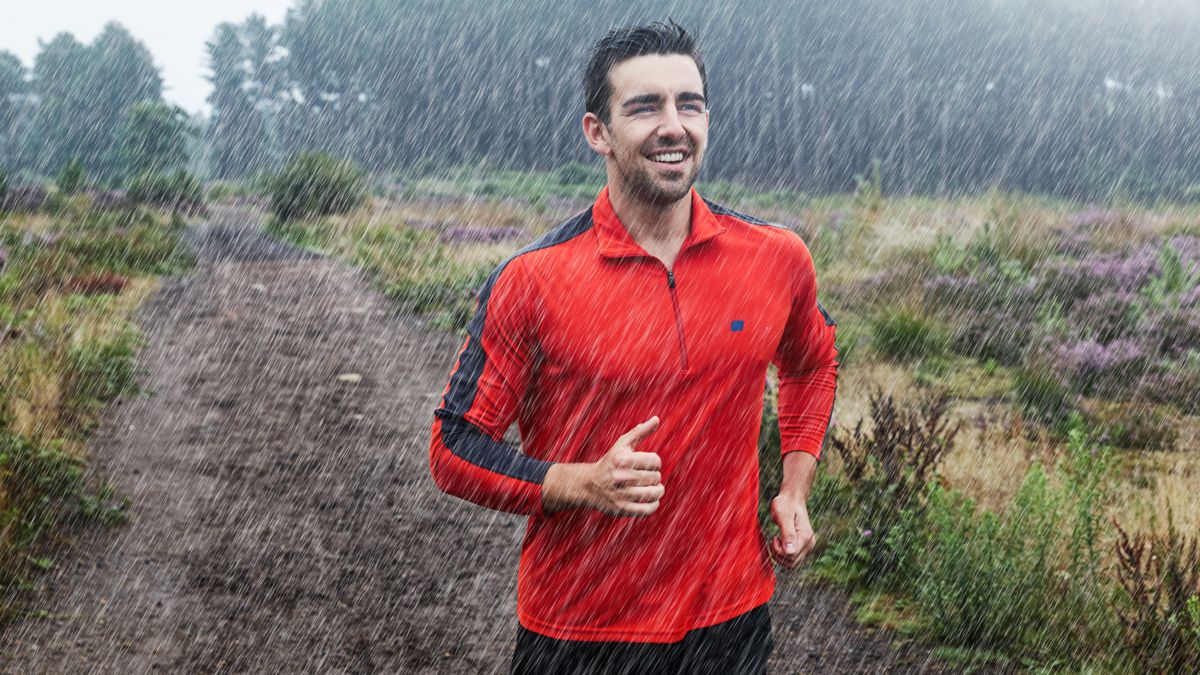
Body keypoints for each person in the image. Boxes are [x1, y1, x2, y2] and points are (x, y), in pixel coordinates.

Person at [428, 20, 838, 675]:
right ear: (598, 132)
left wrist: (794, 486)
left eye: (690, 104)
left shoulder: (776, 257)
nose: (673, 125)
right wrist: (576, 481)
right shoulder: (532, 279)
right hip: (581, 631)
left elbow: (812, 362)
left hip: (730, 623)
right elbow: (452, 448)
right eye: (645, 107)